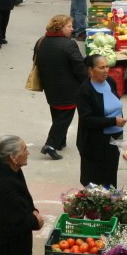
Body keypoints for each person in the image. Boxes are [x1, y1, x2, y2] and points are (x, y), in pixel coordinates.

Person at [36, 15, 87, 160]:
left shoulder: (41, 41)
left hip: (50, 86)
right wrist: (87, 83)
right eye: (69, 26)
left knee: (56, 114)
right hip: (68, 89)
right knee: (63, 118)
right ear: (60, 27)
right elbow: (79, 67)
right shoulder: (69, 45)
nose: (72, 29)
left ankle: (60, 141)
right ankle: (50, 144)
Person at [76, 55, 127, 187]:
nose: (106, 70)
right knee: (95, 178)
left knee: (110, 175)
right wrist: (113, 121)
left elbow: (115, 103)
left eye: (107, 66)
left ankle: (110, 202)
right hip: (96, 142)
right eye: (101, 67)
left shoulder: (110, 81)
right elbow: (87, 120)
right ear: (90, 70)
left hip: (115, 137)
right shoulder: (85, 90)